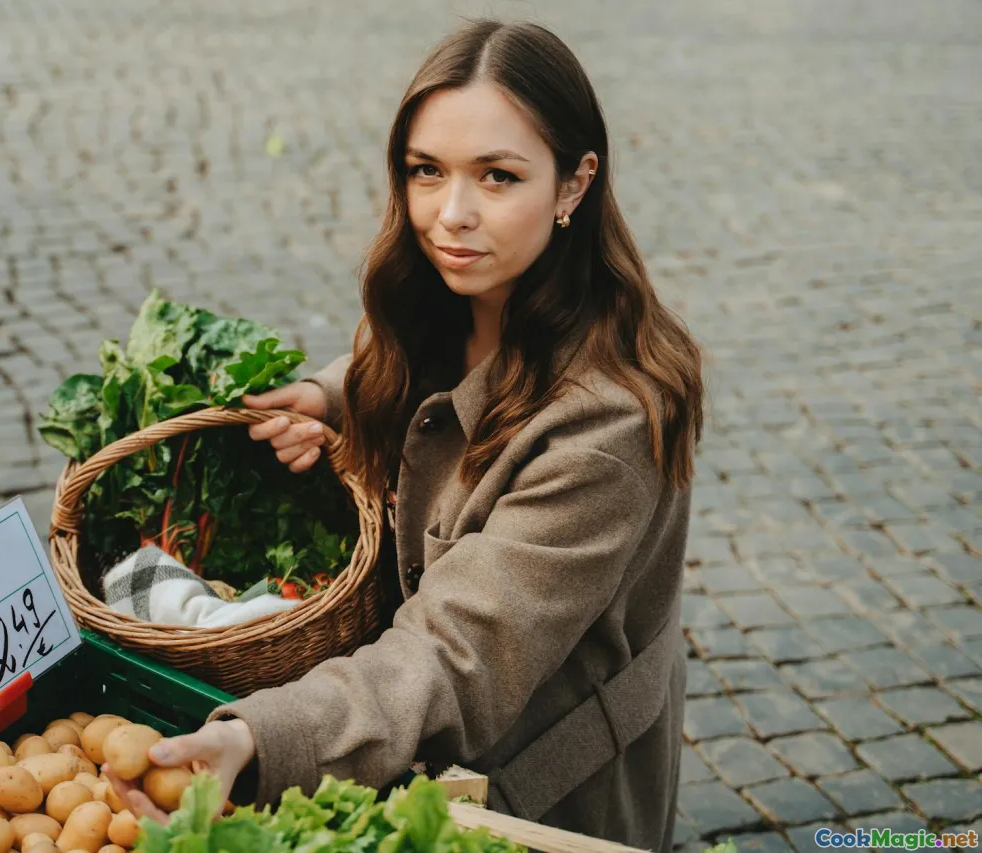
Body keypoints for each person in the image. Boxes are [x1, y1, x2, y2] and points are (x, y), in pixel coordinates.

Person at [105, 18, 704, 852]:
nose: (450, 215)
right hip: (422, 738)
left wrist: (259, 737)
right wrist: (324, 394)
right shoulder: (452, 299)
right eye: (427, 171)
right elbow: (402, 368)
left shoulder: (606, 423)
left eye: (498, 177)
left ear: (574, 184)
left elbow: (458, 654)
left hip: (542, 788)